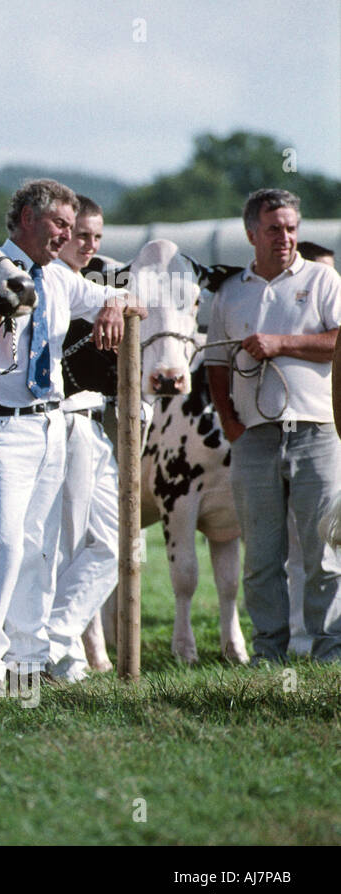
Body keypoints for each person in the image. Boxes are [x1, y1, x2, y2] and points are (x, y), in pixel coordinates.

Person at [0, 179, 135, 690]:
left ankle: (30, 663)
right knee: (0, 545)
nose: (67, 237)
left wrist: (114, 305)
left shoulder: (60, 279)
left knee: (40, 547)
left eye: (73, 228)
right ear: (28, 218)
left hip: (52, 423)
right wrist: (4, 312)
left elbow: (120, 295)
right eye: (59, 225)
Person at [207, 189, 341, 663]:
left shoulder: (324, 280)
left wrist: (279, 343)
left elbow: (337, 341)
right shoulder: (230, 292)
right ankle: (270, 655)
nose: (284, 237)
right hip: (255, 437)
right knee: (262, 558)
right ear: (251, 234)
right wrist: (229, 421)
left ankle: (329, 654)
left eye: (290, 228)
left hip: (315, 431)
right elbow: (216, 364)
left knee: (323, 551)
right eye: (273, 229)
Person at [47, 195, 119, 681]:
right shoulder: (43, 286)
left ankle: (51, 641)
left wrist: (113, 300)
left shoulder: (99, 288)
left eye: (97, 237)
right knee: (63, 544)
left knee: (114, 544)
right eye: (81, 236)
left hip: (95, 424)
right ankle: (64, 655)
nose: (90, 245)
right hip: (56, 423)